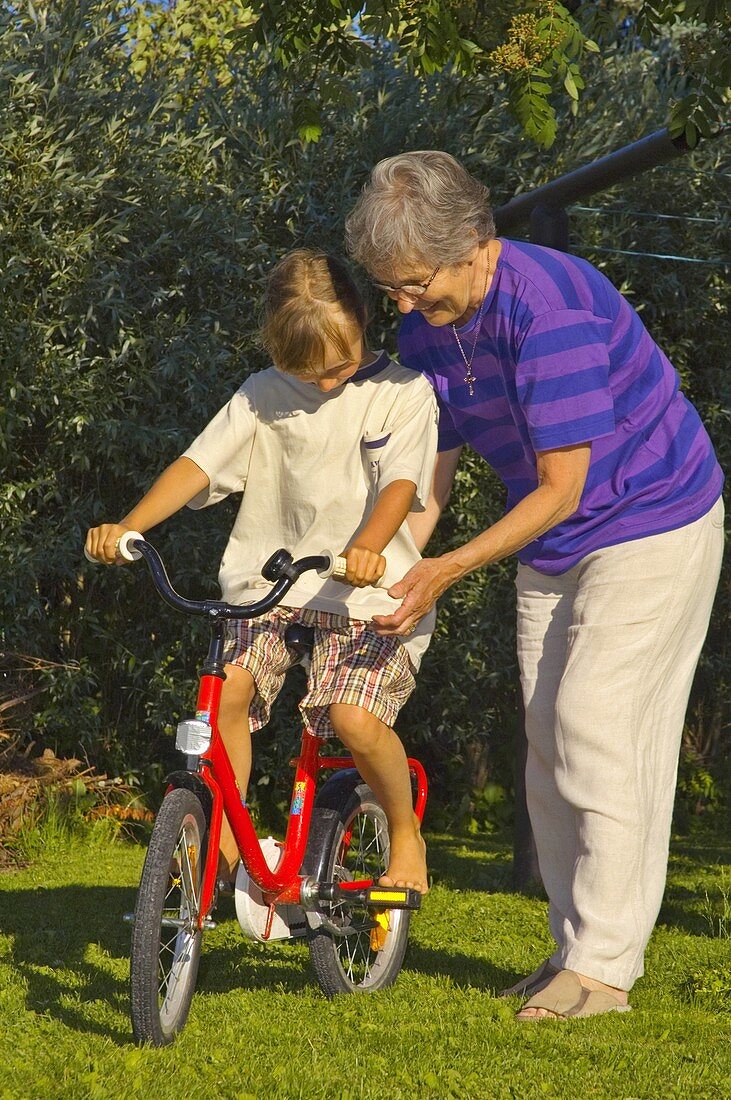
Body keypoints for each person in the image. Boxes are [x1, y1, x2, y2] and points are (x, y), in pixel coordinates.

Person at [345, 151, 725, 1019]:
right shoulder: (424, 330)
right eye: (389, 288)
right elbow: (427, 482)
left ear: (474, 241)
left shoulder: (544, 306)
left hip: (651, 518)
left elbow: (565, 485)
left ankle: (603, 970)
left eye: (412, 283)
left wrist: (445, 571)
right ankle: (570, 952)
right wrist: (388, 572)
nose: (400, 304)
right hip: (556, 538)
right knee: (549, 742)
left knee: (600, 728)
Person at [85, 249, 438, 895]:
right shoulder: (261, 393)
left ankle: (405, 833)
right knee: (228, 691)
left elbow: (400, 485)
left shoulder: (402, 392)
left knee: (353, 720)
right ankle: (222, 837)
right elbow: (197, 464)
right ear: (277, 353)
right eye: (307, 372)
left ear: (364, 319)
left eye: (339, 366)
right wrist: (130, 526)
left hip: (365, 592)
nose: (326, 384)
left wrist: (366, 547)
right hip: (266, 588)